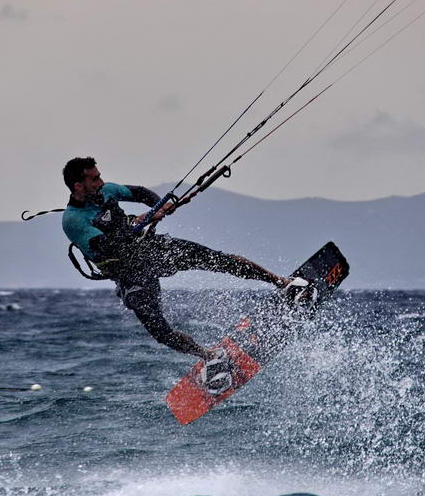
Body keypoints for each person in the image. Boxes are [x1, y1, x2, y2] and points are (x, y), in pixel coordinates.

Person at [61, 156, 311, 365]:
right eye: (94, 179)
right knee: (160, 332)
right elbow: (107, 246)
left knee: (217, 260)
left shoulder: (108, 191)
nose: (101, 182)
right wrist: (142, 219)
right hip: (130, 274)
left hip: (151, 250)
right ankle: (209, 356)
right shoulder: (73, 221)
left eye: (99, 176)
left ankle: (281, 282)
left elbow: (140, 193)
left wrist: (160, 206)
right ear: (78, 186)